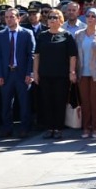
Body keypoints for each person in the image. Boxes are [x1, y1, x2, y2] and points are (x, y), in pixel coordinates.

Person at [33, 9, 77, 140]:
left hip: (61, 75)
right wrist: (35, 72)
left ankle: (58, 128)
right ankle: (49, 128)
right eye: (50, 17)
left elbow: (72, 56)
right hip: (45, 74)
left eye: (55, 17)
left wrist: (72, 72)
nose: (52, 19)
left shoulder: (67, 35)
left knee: (59, 101)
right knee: (47, 101)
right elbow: (37, 56)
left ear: (61, 20)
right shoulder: (42, 35)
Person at [0, 7, 35, 138]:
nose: (9, 19)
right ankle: (7, 128)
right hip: (6, 74)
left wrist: (30, 73)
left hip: (21, 73)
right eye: (6, 17)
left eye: (12, 17)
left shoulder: (27, 33)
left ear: (18, 18)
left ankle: (24, 128)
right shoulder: (0, 35)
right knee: (6, 103)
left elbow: (31, 55)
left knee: (24, 102)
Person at [75, 9, 96, 139]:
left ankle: (95, 128)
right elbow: (75, 55)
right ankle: (85, 127)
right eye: (88, 16)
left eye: (93, 16)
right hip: (82, 72)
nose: (90, 18)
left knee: (95, 101)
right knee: (85, 101)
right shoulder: (78, 34)